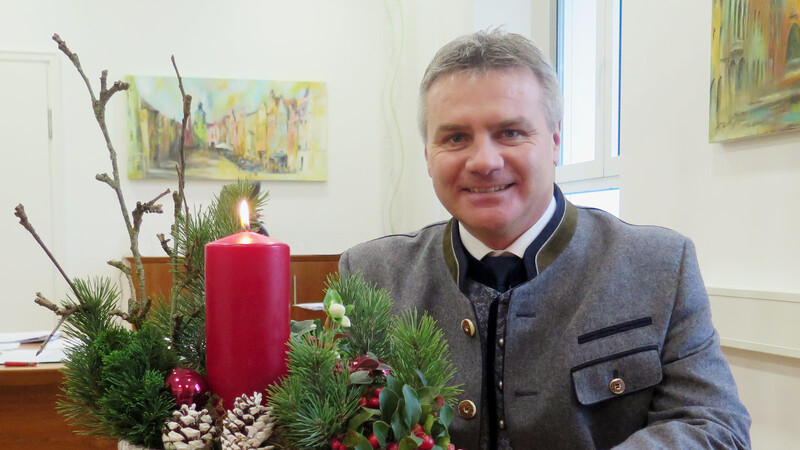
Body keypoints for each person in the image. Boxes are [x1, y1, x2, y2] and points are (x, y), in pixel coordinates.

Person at [339, 30, 750, 449]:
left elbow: (714, 426)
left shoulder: (659, 265)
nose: (484, 161)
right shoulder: (372, 274)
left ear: (555, 142)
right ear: (428, 153)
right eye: (456, 138)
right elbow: (338, 424)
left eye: (511, 133)